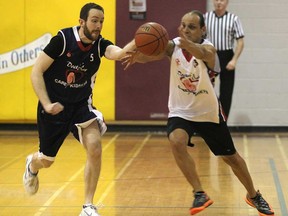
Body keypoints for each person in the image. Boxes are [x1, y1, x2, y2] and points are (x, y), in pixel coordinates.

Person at [123, 10, 274, 216]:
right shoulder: (173, 46)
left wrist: (186, 43)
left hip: (207, 112)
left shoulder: (209, 48)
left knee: (231, 158)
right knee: (176, 141)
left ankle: (253, 195)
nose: (185, 30)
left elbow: (204, 54)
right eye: (183, 25)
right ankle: (199, 192)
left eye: (191, 27)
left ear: (203, 30)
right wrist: (137, 48)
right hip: (181, 110)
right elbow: (149, 54)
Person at [22, 3, 136, 216]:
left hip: (81, 106)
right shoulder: (62, 40)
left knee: (94, 147)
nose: (98, 25)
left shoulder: (100, 44)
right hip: (54, 106)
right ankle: (32, 165)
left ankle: (87, 206)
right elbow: (36, 72)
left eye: (101, 21)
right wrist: (46, 104)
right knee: (46, 160)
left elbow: (117, 53)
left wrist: (137, 42)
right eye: (94, 21)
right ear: (81, 21)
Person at [204, 0, 245, 119]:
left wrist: (234, 60)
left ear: (227, 2)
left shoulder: (234, 19)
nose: (219, 3)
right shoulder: (206, 17)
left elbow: (240, 42)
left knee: (226, 92)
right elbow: (199, 39)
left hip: (227, 56)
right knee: (205, 89)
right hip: (211, 55)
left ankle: (223, 122)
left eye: (222, 0)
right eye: (216, 0)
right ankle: (205, 120)